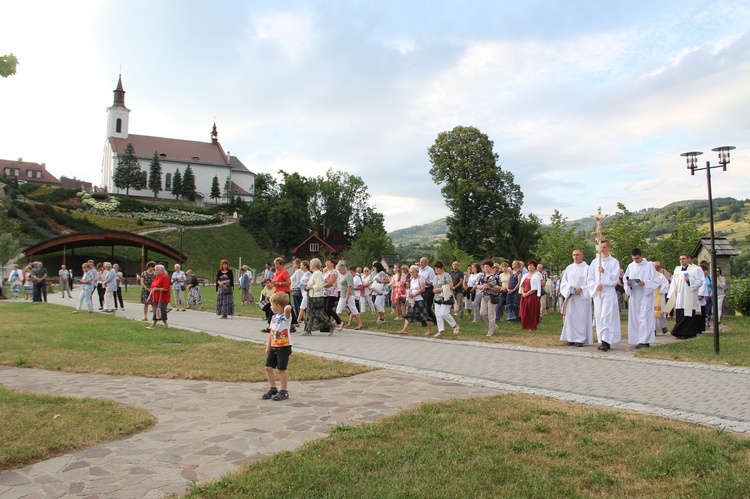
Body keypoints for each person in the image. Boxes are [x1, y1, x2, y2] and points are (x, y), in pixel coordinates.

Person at [587, 240, 621, 351]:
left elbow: (615, 278)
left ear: (609, 248)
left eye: (604, 247)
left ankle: (607, 341)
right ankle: (601, 339)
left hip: (608, 291)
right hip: (598, 292)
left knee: (606, 315)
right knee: (599, 316)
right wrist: (596, 285)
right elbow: (590, 278)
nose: (602, 249)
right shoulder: (595, 262)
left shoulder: (614, 262)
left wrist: (604, 272)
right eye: (600, 247)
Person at [624, 248, 661, 348]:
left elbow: (656, 282)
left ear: (641, 255)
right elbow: (625, 279)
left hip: (645, 295)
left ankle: (645, 341)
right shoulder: (630, 266)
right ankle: (637, 339)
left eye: (637, 258)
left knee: (644, 317)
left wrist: (644, 283)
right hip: (635, 295)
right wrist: (628, 284)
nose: (635, 260)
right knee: (635, 318)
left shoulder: (649, 266)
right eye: (634, 259)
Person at [261, 292, 293, 401]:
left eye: (272, 304)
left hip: (283, 347)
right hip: (273, 346)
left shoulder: (286, 317)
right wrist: (268, 346)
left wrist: (286, 305)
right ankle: (273, 387)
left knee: (281, 369)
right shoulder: (274, 317)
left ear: (278, 306)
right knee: (268, 367)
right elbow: (271, 332)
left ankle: (284, 391)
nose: (270, 307)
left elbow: (288, 308)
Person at [559, 250, 593, 347]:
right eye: (574, 255)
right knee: (570, 317)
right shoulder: (569, 268)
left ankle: (580, 339)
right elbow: (564, 282)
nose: (575, 257)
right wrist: (569, 288)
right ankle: (571, 337)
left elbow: (590, 283)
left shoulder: (587, 268)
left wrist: (581, 288)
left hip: (582, 298)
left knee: (581, 318)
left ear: (582, 256)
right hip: (571, 297)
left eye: (577, 255)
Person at [667, 253, 704, 339]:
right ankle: (679, 332)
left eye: (683, 259)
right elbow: (673, 283)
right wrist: (671, 295)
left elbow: (700, 281)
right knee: (680, 313)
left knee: (688, 315)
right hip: (680, 296)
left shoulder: (696, 269)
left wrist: (690, 280)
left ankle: (686, 333)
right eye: (680, 259)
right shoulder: (677, 269)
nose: (681, 261)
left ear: (688, 259)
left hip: (689, 295)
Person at [396, 265, 434, 335]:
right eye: (410, 272)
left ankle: (430, 330)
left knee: (424, 314)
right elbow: (411, 289)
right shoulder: (412, 280)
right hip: (413, 300)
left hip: (419, 299)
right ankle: (404, 329)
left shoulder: (421, 278)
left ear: (417, 272)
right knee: (409, 314)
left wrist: (415, 294)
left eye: (413, 272)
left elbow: (422, 289)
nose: (411, 274)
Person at [433, 260, 460, 337]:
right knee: (438, 315)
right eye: (435, 269)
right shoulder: (435, 277)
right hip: (437, 297)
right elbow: (434, 286)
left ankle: (455, 326)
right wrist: (435, 290)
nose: (437, 270)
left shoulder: (446, 275)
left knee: (444, 313)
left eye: (438, 268)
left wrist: (441, 289)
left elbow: (451, 285)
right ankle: (441, 330)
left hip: (446, 297)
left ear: (442, 268)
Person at [271, 257, 297, 331]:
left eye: (277, 264)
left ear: (281, 264)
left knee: (287, 308)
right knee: (276, 307)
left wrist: (279, 283)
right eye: (275, 265)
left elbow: (288, 282)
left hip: (284, 292)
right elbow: (274, 281)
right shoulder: (277, 273)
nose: (276, 266)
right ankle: (291, 324)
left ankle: (292, 324)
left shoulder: (284, 272)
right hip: (277, 292)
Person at [335, 263, 363, 331]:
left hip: (348, 296)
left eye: (340, 270)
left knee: (353, 309)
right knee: (339, 309)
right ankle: (336, 323)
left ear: (343, 268)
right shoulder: (343, 275)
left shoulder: (348, 275)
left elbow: (350, 286)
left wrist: (347, 297)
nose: (339, 271)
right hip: (343, 295)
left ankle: (360, 324)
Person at [303, 258, 328, 334]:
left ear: (314, 265)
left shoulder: (317, 274)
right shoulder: (315, 274)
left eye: (310, 264)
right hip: (312, 296)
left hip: (316, 296)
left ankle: (330, 325)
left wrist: (309, 287)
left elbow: (319, 286)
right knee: (311, 313)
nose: (310, 266)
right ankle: (308, 329)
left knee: (318, 314)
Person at [478, 260, 502, 336]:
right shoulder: (482, 275)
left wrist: (489, 287)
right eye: (484, 267)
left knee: (491, 314)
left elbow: (499, 287)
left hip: (492, 297)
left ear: (491, 267)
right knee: (482, 313)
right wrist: (482, 286)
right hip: (484, 296)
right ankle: (493, 326)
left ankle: (490, 331)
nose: (485, 268)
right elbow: (478, 285)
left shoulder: (496, 276)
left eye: (487, 267)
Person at [519, 259, 542, 331]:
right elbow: (522, 285)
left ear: (534, 267)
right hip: (524, 295)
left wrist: (527, 294)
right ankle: (525, 324)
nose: (530, 267)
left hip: (532, 296)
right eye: (529, 265)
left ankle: (531, 325)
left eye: (531, 265)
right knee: (524, 311)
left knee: (531, 311)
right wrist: (523, 293)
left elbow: (535, 288)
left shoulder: (536, 275)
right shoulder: (525, 275)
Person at [146, 264, 170, 330]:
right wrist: (149, 296)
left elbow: (166, 288)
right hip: (156, 297)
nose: (155, 271)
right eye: (155, 270)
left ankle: (155, 325)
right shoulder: (156, 277)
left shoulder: (165, 277)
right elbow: (153, 287)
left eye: (157, 270)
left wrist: (157, 289)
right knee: (157, 311)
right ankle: (165, 325)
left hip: (162, 298)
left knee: (161, 311)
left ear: (162, 270)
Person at [418, 257, 437, 325]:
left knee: (427, 307)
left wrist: (424, 283)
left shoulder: (430, 270)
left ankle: (433, 319)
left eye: (422, 262)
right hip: (421, 289)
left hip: (429, 289)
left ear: (426, 263)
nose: (421, 264)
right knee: (422, 306)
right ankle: (424, 321)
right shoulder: (419, 270)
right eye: (420, 262)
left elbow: (433, 282)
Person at [652, 261, 670, 334]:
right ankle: (653, 329)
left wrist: (660, 287)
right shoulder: (647, 275)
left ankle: (663, 326)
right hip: (651, 297)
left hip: (659, 296)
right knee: (651, 314)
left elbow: (666, 284)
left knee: (660, 312)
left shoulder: (660, 275)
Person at [295, 260, 312, 327]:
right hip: (303, 292)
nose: (300, 266)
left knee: (302, 307)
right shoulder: (304, 273)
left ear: (305, 266)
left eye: (302, 265)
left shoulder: (308, 274)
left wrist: (302, 286)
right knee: (306, 307)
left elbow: (308, 282)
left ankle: (298, 321)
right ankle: (306, 321)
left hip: (306, 292)